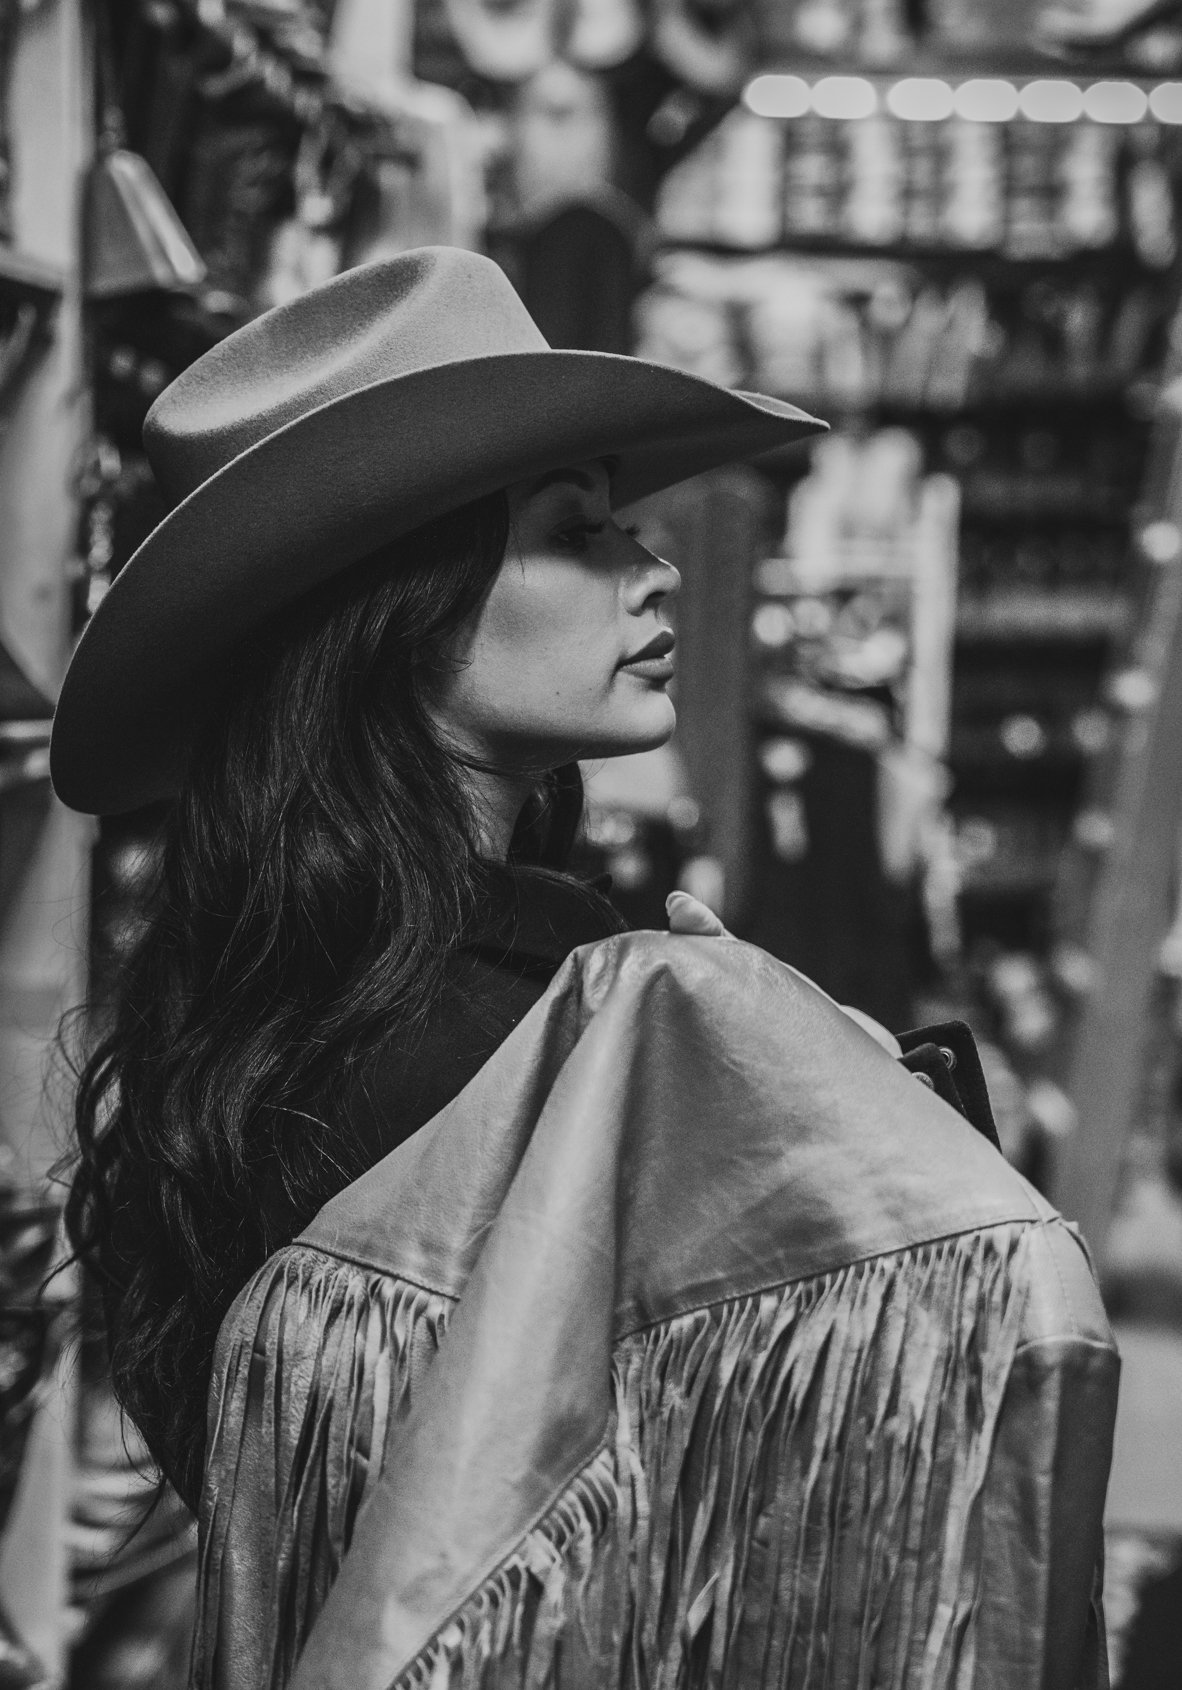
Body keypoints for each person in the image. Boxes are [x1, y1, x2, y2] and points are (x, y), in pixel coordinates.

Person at [52, 248, 1117, 1689]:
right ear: (396, 602)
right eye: (579, 529)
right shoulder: (523, 1031)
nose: (657, 566)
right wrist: (844, 1132)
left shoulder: (267, 1004)